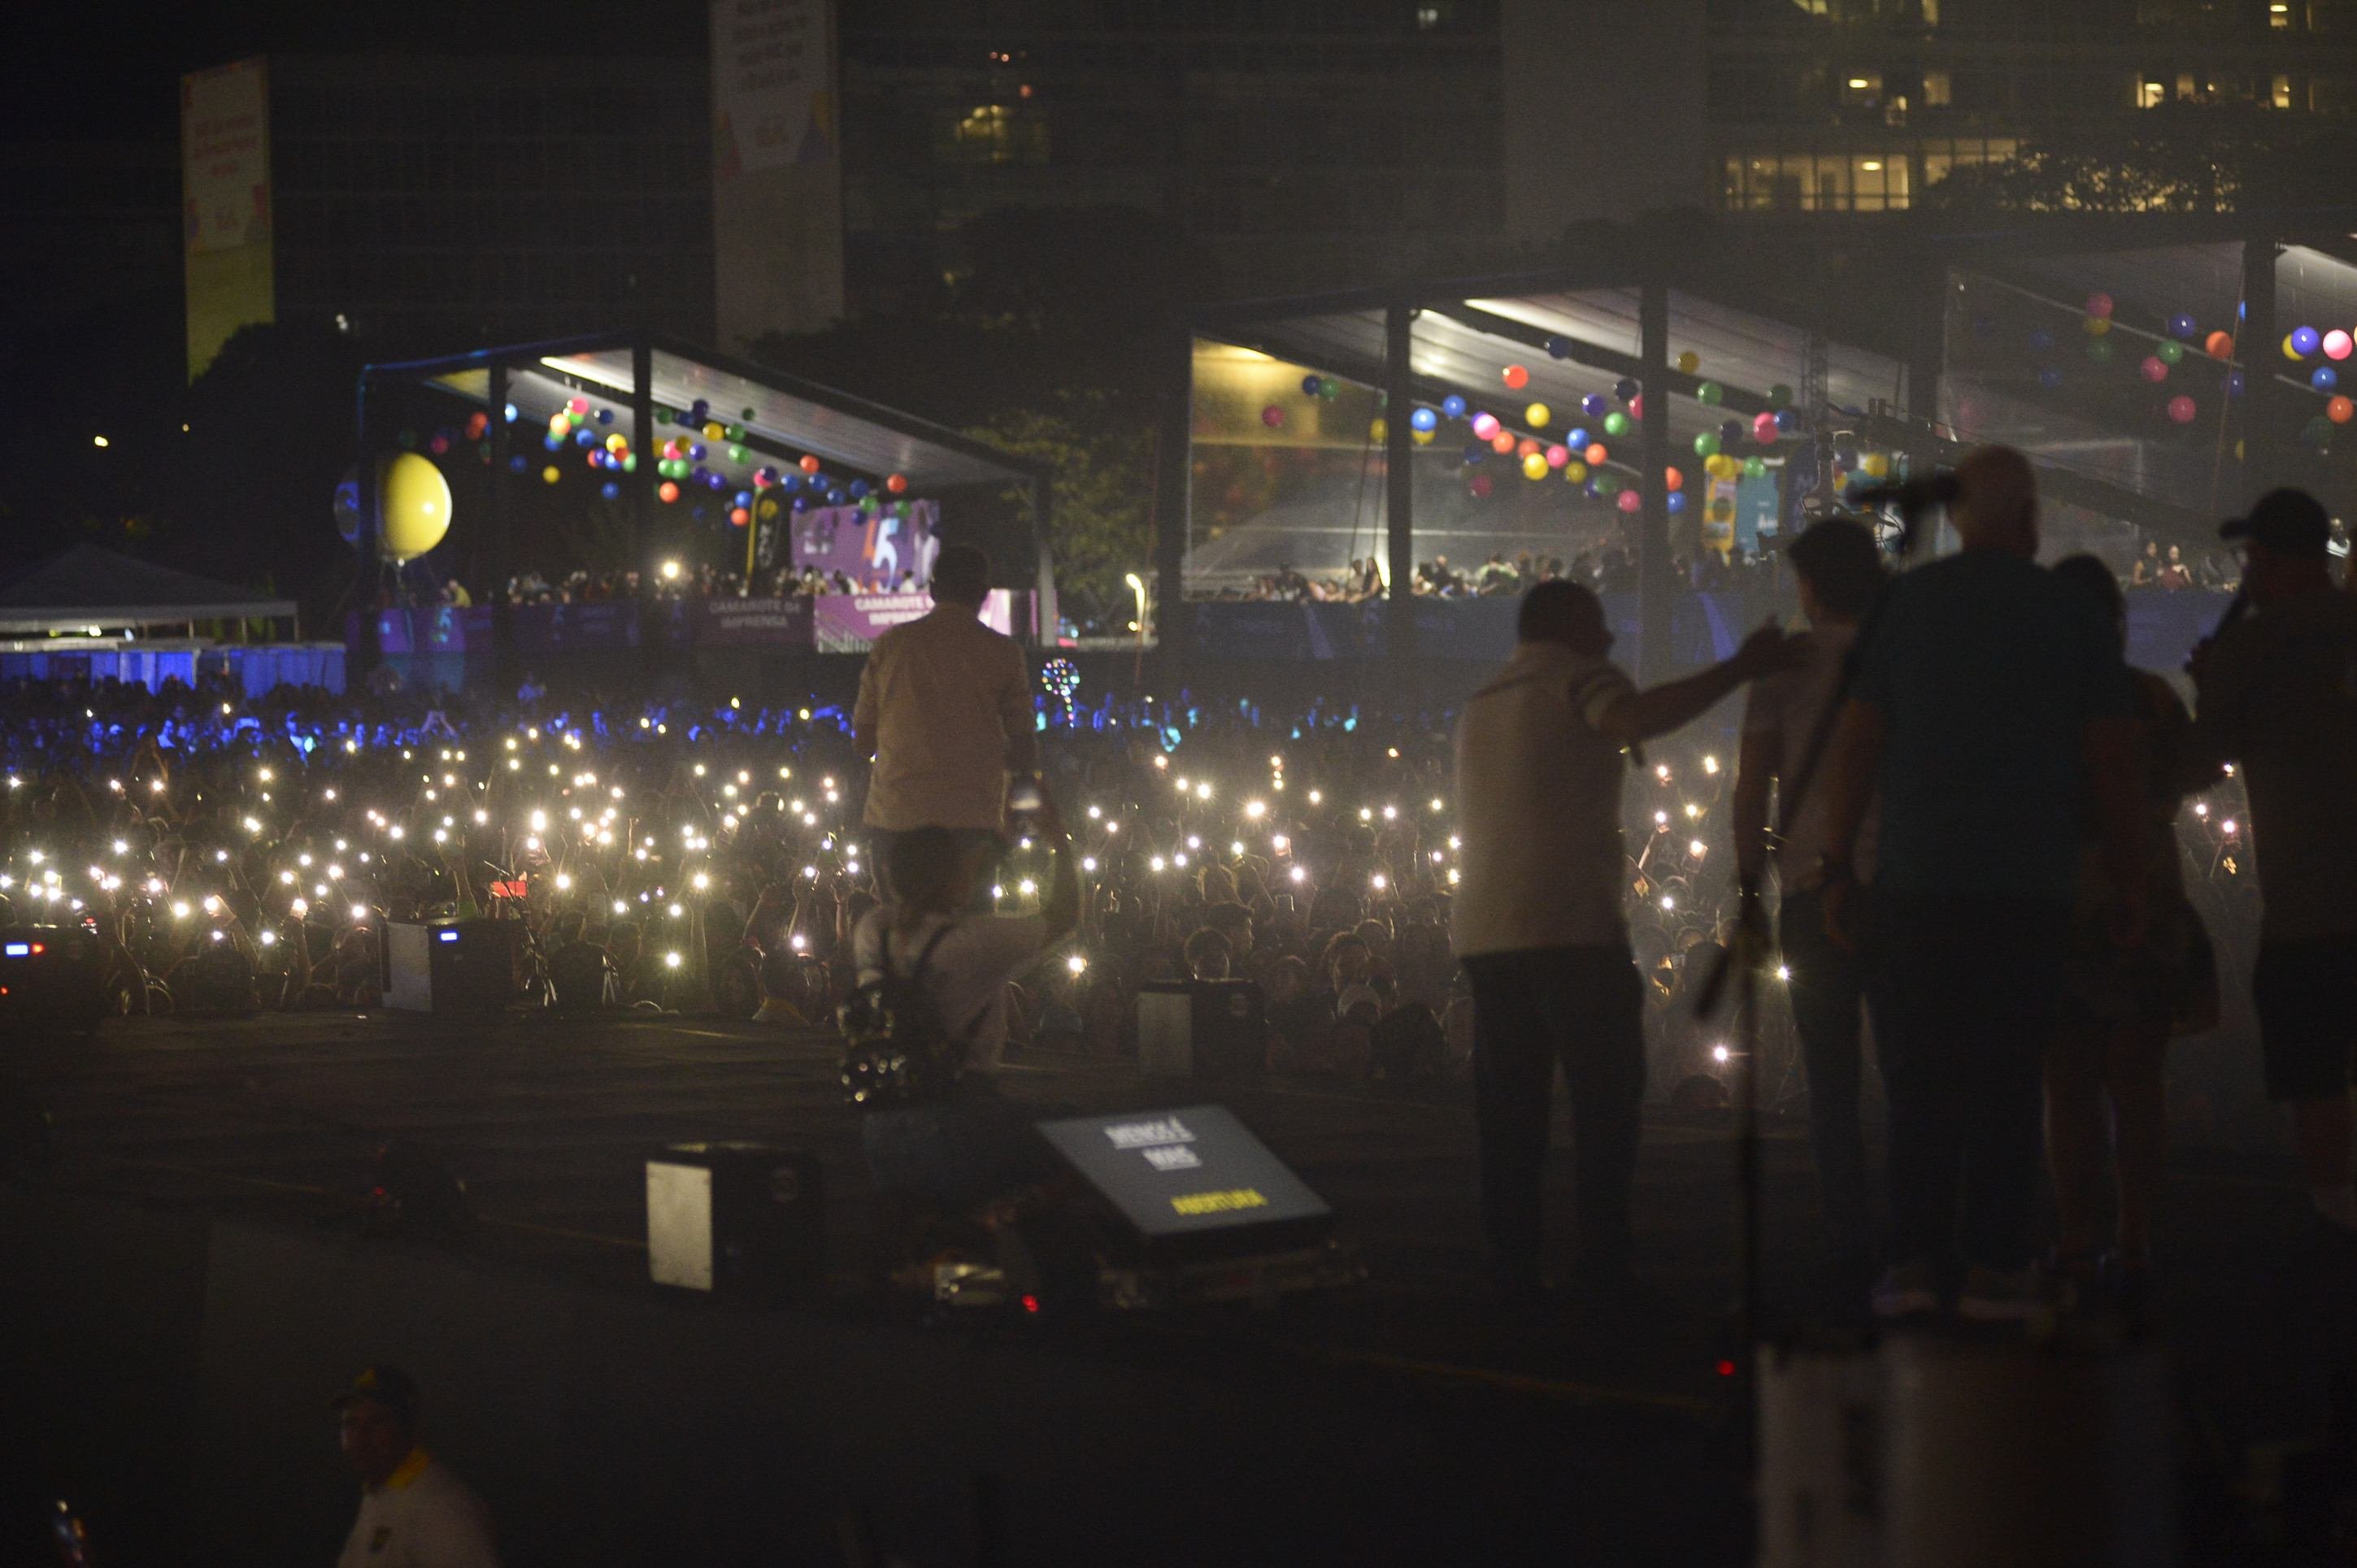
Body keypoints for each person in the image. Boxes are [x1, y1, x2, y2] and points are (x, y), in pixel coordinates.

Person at [1820, 445, 2146, 1323]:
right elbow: (2112, 761)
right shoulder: (2069, 614)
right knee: (2008, 1081)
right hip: (2028, 884)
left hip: (1918, 880)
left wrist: (1836, 864)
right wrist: (2129, 879)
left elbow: (1858, 743)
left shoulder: (1906, 606)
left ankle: (1913, 1261)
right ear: (2029, 519)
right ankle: (1996, 1264)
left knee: (1918, 1080)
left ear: (1958, 519)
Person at [1452, 579, 1800, 1305]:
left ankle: (1509, 1267)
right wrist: (1740, 667)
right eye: (1597, 623)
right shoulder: (1576, 678)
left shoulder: (1482, 700)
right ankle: (1602, 1264)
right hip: (1568, 928)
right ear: (1565, 627)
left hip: (1486, 933)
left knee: (1511, 1117)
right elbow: (1635, 716)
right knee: (1604, 1104)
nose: (1610, 637)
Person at [2186, 488, 2357, 1238]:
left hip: (2308, 909)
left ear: (2276, 560)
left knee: (2315, 1078)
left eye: (2253, 557)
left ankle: (2335, 1218)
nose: (2246, 573)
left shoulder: (2254, 647)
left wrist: (2208, 687)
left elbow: (2201, 759)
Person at [2046, 554, 2206, 1304]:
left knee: (2068, 1083)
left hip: (2060, 899)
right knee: (2137, 1081)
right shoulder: (2150, 697)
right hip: (2146, 887)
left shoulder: (2034, 705)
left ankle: (2077, 1239)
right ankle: (2135, 1237)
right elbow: (2187, 778)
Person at [1730, 516, 1888, 1273]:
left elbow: (1749, 787)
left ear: (1811, 585)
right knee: (1909, 1067)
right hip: (1898, 884)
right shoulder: (1898, 655)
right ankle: (1918, 1228)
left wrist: (1747, 888)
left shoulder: (1786, 666)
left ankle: (1845, 1231)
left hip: (1808, 885)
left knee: (1830, 1075)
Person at [851, 798, 1081, 1218]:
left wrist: (989, 850)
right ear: (955, 881)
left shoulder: (872, 932)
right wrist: (1059, 841)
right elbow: (1064, 915)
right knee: (1080, 1137)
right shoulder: (972, 944)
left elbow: (909, 900)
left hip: (882, 1128)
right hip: (958, 1124)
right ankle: (1004, 1228)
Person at [853, 543, 1034, 901]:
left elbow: (863, 743)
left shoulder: (891, 645)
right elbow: (1025, 751)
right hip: (973, 821)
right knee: (965, 930)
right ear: (983, 594)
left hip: (896, 817)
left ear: (933, 590)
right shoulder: (1005, 653)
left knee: (901, 927)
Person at [332, 1365, 501, 1568]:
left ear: (408, 1427)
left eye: (377, 1421)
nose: (360, 1437)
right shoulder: (380, 1493)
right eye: (351, 1423)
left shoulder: (440, 1508)